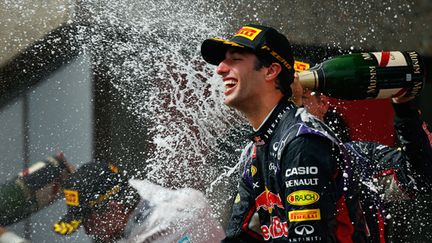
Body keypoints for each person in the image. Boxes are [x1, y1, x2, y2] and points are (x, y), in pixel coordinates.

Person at [201, 24, 368, 242]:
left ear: (271, 71)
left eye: (235, 59)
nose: (220, 69)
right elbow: (239, 237)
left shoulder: (302, 141)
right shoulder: (255, 148)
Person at [292, 79, 432, 242]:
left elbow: (420, 177)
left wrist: (405, 109)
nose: (292, 111)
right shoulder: (259, 163)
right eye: (287, 101)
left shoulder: (357, 158)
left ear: (322, 103)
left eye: (300, 99)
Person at [53, 162, 225, 242]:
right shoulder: (136, 190)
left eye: (88, 220)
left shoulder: (168, 230)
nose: (88, 230)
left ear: (114, 209)